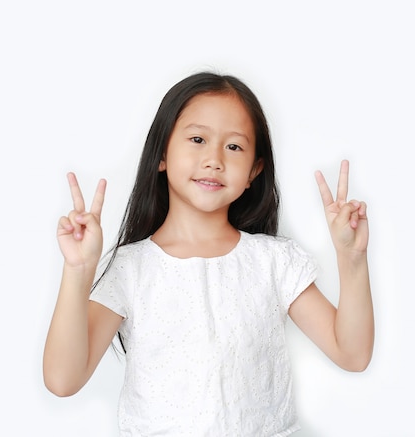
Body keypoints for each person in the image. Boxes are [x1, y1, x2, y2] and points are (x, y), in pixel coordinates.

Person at [43, 72, 374, 436]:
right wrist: (78, 269)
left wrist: (352, 258)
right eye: (198, 139)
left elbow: (352, 354)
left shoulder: (274, 263)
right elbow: (63, 380)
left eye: (234, 147)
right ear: (162, 154)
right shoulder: (131, 268)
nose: (214, 159)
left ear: (254, 171)